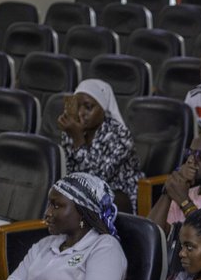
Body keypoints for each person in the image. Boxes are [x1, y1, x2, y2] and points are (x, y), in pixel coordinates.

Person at [0, 172, 126, 280]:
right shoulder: (44, 245)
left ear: (82, 212)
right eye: (49, 205)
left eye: (57, 206)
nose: (47, 213)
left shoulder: (105, 247)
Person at [57, 79, 143, 212]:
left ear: (103, 108)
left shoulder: (120, 135)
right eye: (77, 106)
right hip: (80, 193)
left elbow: (96, 180)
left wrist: (78, 140)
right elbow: (68, 172)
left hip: (119, 195)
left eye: (88, 107)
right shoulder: (72, 130)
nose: (81, 113)